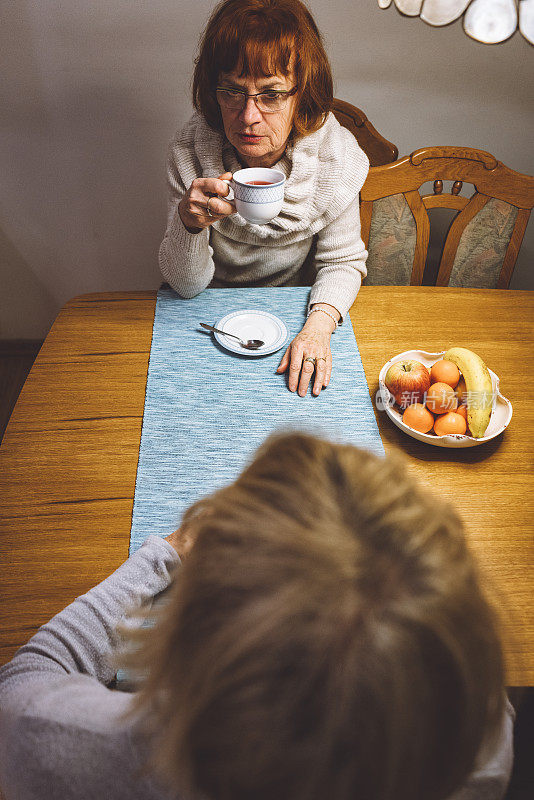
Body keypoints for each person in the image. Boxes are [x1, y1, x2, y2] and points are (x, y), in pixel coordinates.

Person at [0, 432, 514, 800]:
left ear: (188, 645)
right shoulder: (480, 742)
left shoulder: (98, 750)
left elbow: (25, 678)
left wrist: (167, 553)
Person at [158, 0, 370, 398]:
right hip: (205, 314)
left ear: (301, 92)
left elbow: (342, 262)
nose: (248, 116)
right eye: (233, 92)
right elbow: (185, 287)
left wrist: (318, 328)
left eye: (270, 95)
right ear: (213, 90)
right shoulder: (188, 152)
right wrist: (189, 226)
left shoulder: (335, 158)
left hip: (296, 315)